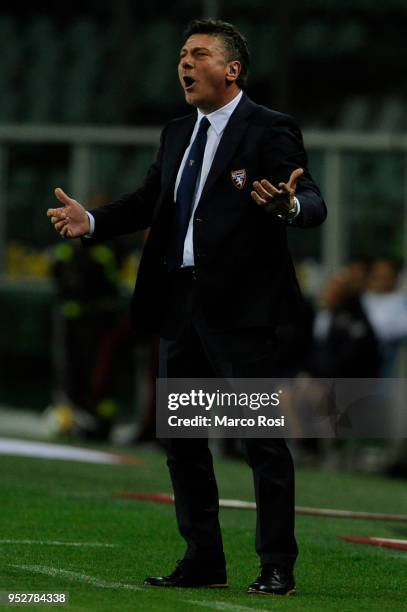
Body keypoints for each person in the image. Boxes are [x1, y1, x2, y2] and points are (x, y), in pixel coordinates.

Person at [47, 19, 326, 596]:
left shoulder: (270, 128)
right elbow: (151, 201)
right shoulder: (177, 132)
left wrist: (291, 205)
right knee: (183, 443)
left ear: (232, 69)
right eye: (181, 54)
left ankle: (277, 564)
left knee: (261, 442)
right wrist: (93, 220)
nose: (184, 63)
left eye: (198, 54)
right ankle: (204, 559)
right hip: (182, 306)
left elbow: (312, 199)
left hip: (242, 311)